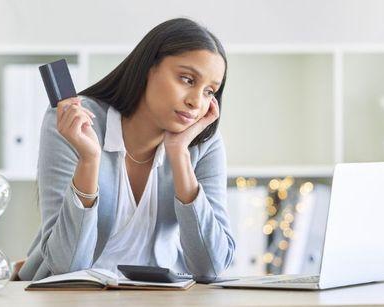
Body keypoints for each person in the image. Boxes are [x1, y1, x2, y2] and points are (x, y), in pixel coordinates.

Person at [18, 17, 235, 281]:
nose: (195, 102)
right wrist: (89, 160)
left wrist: (179, 156)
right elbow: (67, 265)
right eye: (187, 80)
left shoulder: (203, 143)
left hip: (160, 299)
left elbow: (211, 267)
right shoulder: (75, 123)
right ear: (148, 68)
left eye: (209, 92)